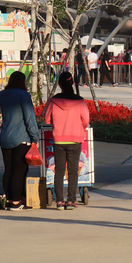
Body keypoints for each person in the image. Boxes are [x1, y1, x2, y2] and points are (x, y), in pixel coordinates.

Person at [43, 71, 90, 210]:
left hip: (59, 139)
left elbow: (47, 119)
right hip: (75, 139)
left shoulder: (53, 100)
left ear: (60, 84)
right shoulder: (80, 101)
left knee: (59, 171)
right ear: (72, 83)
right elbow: (86, 120)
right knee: (73, 170)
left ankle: (59, 201)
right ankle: (71, 200)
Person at [0, 71, 41, 210]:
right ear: (23, 82)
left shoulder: (2, 95)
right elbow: (29, 118)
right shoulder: (24, 95)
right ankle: (16, 201)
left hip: (5, 137)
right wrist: (35, 137)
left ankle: (9, 199)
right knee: (19, 170)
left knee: (8, 169)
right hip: (21, 138)